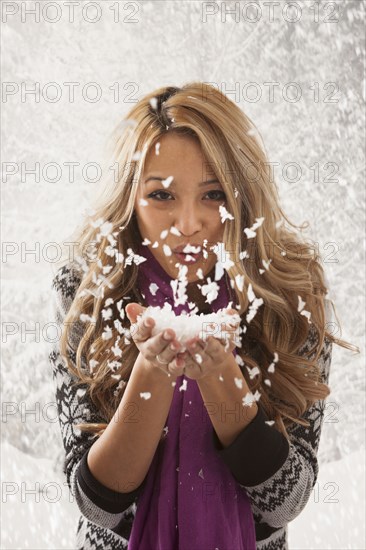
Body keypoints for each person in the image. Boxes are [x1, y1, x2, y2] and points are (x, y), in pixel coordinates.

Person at [49, 82, 358, 550]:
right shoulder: (87, 290)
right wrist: (151, 371)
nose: (189, 223)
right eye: (162, 196)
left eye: (213, 195)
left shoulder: (288, 290)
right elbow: (97, 505)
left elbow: (285, 502)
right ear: (131, 200)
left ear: (243, 195)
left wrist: (219, 375)